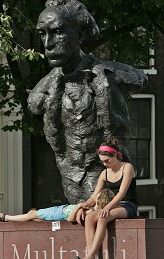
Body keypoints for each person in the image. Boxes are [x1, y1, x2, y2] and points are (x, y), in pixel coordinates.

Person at [28, 0, 147, 204]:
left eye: (57, 32)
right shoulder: (45, 88)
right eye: (42, 33)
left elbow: (139, 78)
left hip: (108, 172)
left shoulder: (114, 75)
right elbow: (35, 105)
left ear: (80, 35)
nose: (48, 43)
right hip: (71, 174)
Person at [74, 137, 138, 259]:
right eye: (102, 161)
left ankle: (90, 258)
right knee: (90, 217)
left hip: (127, 206)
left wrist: (107, 208)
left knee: (103, 218)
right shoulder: (104, 173)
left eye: (107, 160)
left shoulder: (127, 167)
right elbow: (93, 197)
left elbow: (121, 193)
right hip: (111, 207)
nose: (104, 164)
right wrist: (83, 206)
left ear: (115, 155)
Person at [0, 188, 114, 223]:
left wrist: (79, 205)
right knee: (32, 218)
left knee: (31, 214)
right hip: (60, 211)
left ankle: (5, 217)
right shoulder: (91, 211)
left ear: (100, 199)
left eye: (99, 194)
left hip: (59, 213)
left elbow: (71, 219)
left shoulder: (90, 212)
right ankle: (13, 219)